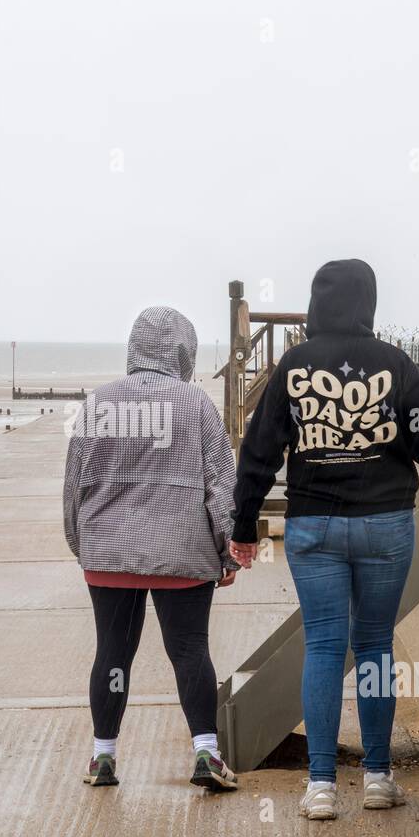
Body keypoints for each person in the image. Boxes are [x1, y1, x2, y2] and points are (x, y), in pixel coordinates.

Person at [229, 260, 419, 820]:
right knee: (373, 646)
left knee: (324, 647)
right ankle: (377, 776)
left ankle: (320, 786)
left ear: (317, 302)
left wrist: (243, 527)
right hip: (384, 526)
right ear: (368, 303)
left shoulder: (294, 367)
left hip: (313, 526)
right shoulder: (396, 367)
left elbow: (257, 455)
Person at [64, 306, 241, 792]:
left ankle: (103, 758)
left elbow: (73, 487)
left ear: (133, 348)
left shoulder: (98, 403)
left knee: (112, 654)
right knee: (190, 651)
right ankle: (206, 752)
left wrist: (85, 548)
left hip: (109, 553)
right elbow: (221, 486)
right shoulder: (196, 403)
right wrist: (227, 551)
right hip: (181, 553)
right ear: (185, 351)